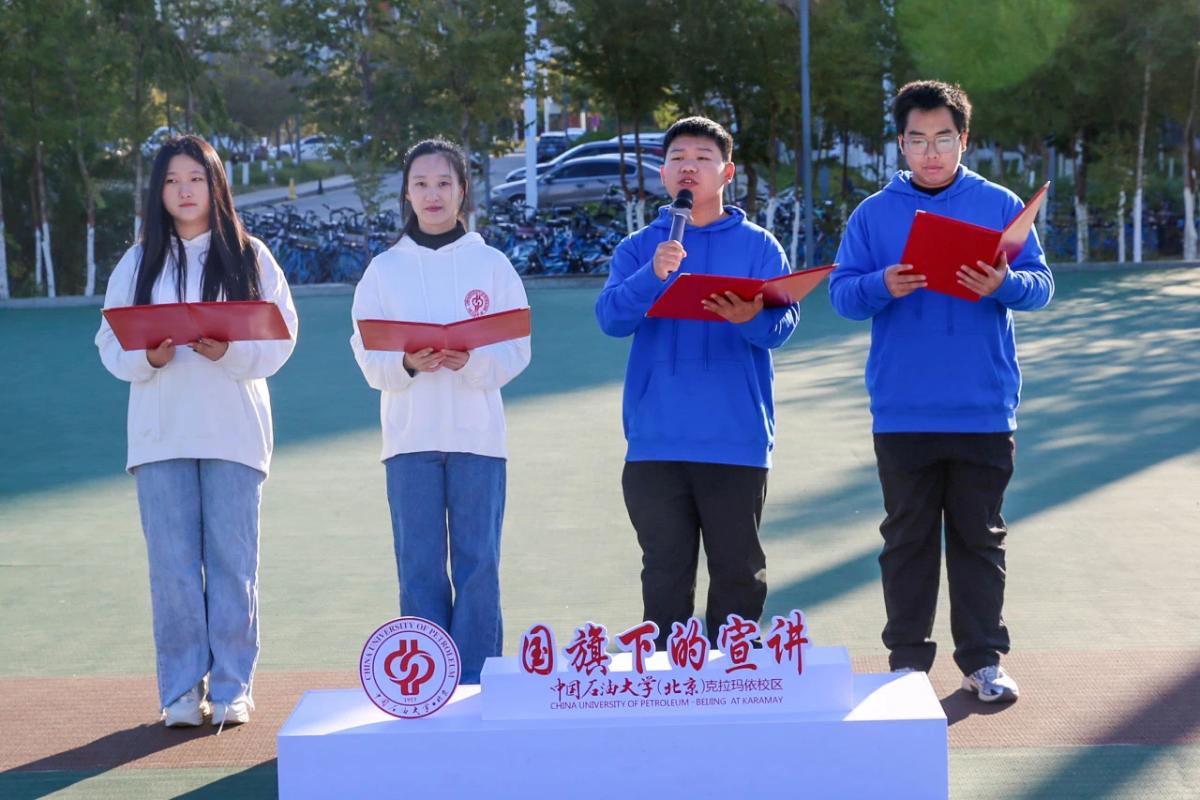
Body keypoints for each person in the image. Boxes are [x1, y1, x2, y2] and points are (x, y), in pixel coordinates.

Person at [828, 80, 1053, 703]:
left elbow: (1039, 286)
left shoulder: (1000, 204)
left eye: (943, 138)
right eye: (918, 139)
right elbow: (842, 295)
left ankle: (983, 661)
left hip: (984, 408)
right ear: (900, 144)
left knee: (980, 539)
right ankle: (907, 664)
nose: (931, 151)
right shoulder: (873, 214)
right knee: (908, 540)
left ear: (964, 140)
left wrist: (1003, 285)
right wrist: (881, 284)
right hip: (903, 410)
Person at [96, 135, 298, 728]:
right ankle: (182, 690)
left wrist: (230, 353)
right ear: (157, 192)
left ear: (216, 185)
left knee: (234, 563)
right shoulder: (138, 262)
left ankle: (234, 686)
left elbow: (281, 338)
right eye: (171, 180)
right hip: (161, 436)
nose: (184, 191)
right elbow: (109, 341)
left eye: (195, 179)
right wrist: (149, 358)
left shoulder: (250, 256)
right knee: (173, 569)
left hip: (234, 432)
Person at [595, 116, 800, 648]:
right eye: (678, 158)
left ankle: (735, 678)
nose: (689, 167)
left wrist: (748, 318)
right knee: (665, 573)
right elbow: (611, 319)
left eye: (703, 158)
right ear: (663, 173)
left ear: (727, 172)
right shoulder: (640, 248)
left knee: (737, 572)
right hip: (656, 441)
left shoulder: (759, 247)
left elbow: (781, 326)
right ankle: (668, 678)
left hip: (735, 439)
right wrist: (653, 275)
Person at [350, 138, 531, 684]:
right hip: (409, 441)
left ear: (462, 190)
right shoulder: (383, 270)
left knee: (479, 564)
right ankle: (428, 681)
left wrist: (471, 361)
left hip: (479, 438)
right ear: (406, 193)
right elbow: (367, 354)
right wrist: (406, 363)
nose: (433, 194)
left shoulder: (492, 264)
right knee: (419, 566)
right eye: (421, 184)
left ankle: (476, 682)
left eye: (444, 183)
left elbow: (517, 348)